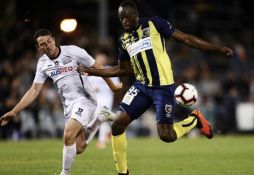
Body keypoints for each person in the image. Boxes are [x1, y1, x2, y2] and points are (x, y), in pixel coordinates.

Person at [78, 1, 233, 174]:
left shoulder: (155, 24)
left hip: (163, 88)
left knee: (167, 136)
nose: (124, 22)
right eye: (121, 18)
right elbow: (123, 69)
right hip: (141, 87)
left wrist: (217, 49)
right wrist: (91, 72)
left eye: (127, 17)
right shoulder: (124, 40)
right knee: (117, 125)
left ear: (136, 14)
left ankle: (194, 119)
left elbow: (186, 38)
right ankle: (122, 172)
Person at [0, 29, 122, 175]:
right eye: (42, 44)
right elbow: (34, 90)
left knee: (67, 135)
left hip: (85, 99)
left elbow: (99, 68)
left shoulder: (73, 51)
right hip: (68, 105)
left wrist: (113, 87)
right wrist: (14, 111)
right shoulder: (43, 63)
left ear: (54, 40)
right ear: (38, 48)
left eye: (49, 41)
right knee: (79, 147)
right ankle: (99, 119)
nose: (47, 46)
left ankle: (64, 173)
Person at [87, 51, 120, 149]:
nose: (101, 60)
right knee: (101, 118)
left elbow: (116, 85)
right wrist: (93, 88)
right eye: (99, 58)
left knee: (101, 117)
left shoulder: (110, 70)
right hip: (95, 98)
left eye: (103, 58)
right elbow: (86, 86)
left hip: (107, 97)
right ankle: (111, 129)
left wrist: (113, 88)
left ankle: (101, 141)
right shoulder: (91, 71)